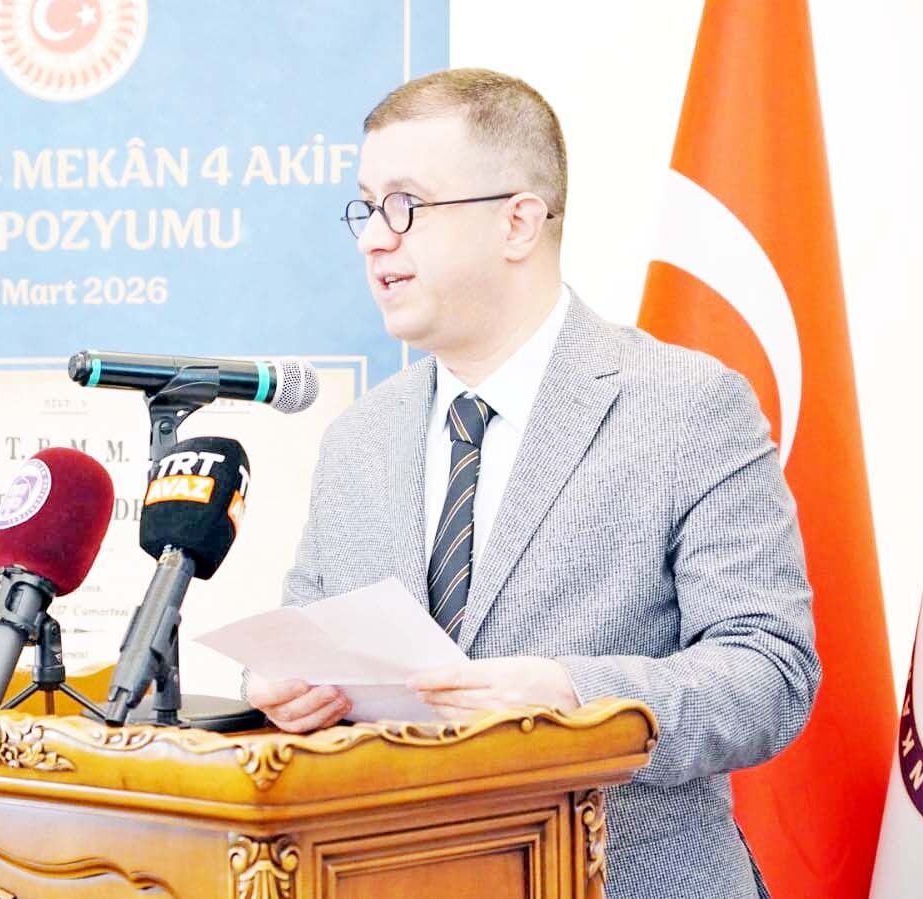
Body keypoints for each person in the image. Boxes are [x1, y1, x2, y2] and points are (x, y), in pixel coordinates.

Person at [243, 68, 819, 899]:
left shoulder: (688, 406)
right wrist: (283, 689)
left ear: (517, 222)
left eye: (405, 205)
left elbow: (770, 673)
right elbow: (310, 632)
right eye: (365, 208)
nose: (373, 239)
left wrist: (573, 695)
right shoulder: (356, 439)